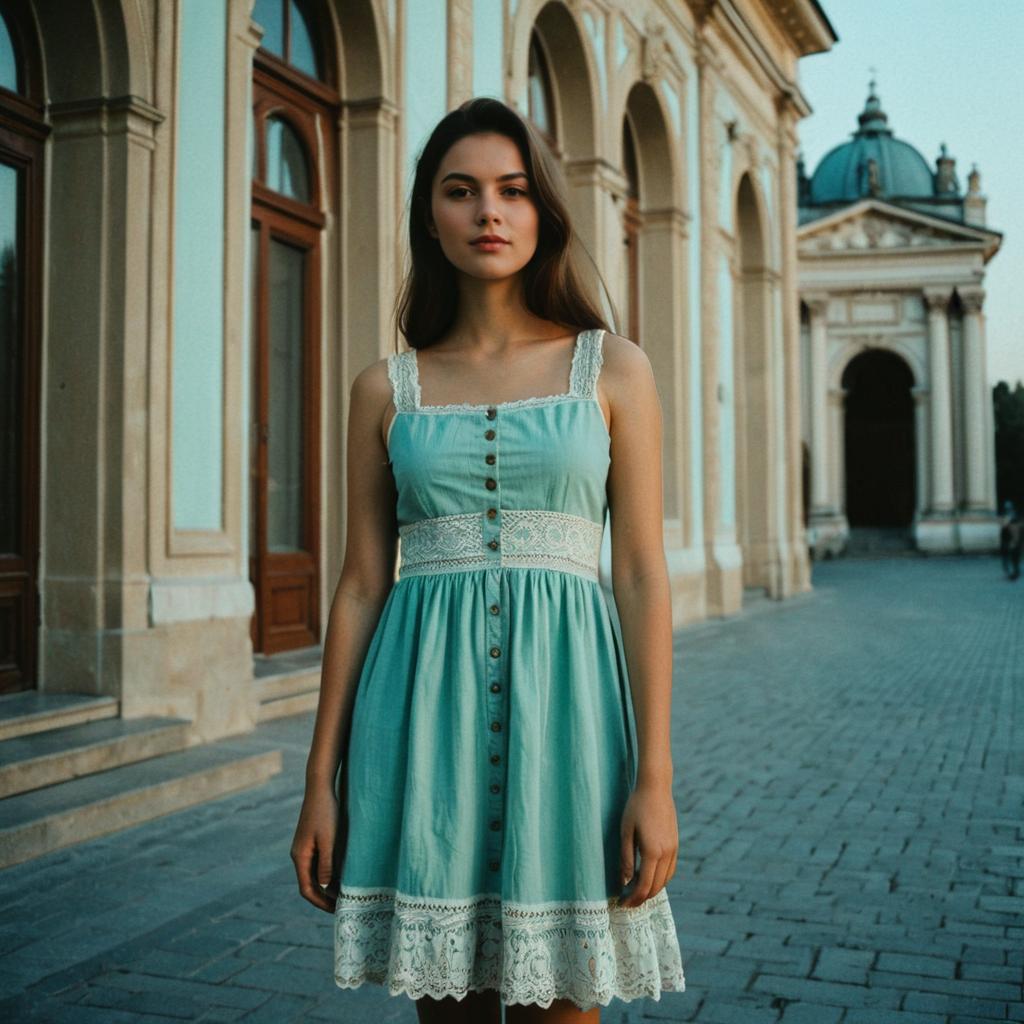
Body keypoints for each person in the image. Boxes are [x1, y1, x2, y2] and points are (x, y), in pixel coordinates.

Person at [290, 96, 686, 1023]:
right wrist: (319, 781)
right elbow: (357, 586)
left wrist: (656, 777)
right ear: (431, 213)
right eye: (461, 191)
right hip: (419, 725)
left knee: (569, 1007)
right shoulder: (383, 389)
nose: (489, 212)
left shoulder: (613, 368)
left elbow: (639, 574)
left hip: (575, 729)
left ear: (543, 208)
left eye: (511, 190)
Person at [999, 500, 1021, 580]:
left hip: (1010, 540)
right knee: (1008, 557)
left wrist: (1014, 541)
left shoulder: (1012, 517)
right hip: (1006, 539)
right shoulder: (1008, 516)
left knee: (1012, 557)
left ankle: (1013, 572)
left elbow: (1006, 526)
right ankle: (1011, 572)